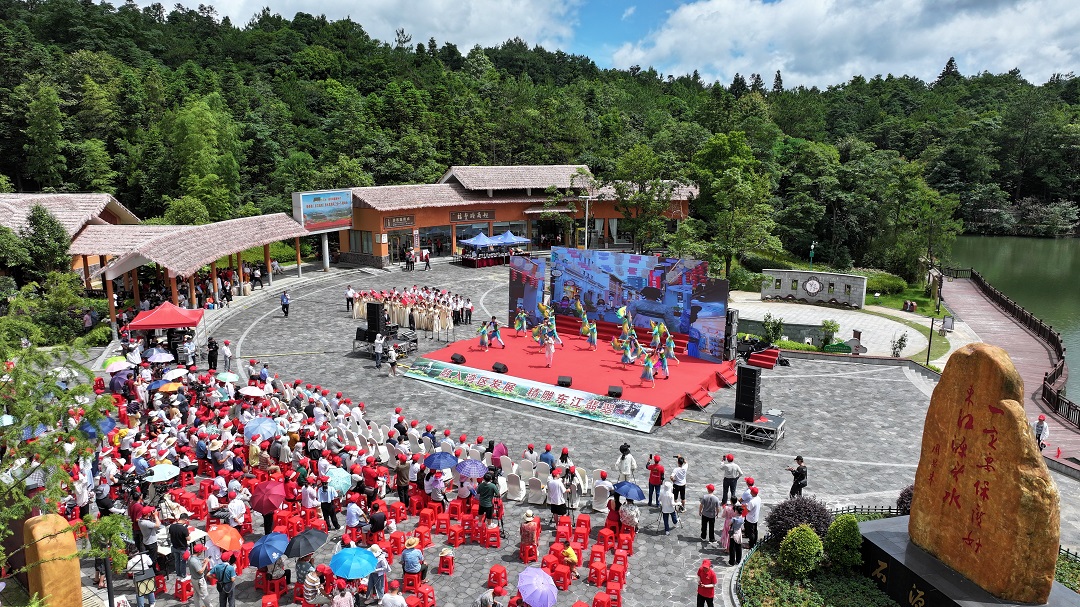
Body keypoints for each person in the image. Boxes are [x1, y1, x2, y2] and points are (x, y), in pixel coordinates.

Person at [169, 513, 191, 578]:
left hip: (174, 546)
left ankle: (178, 573)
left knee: (177, 561)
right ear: (185, 519)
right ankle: (183, 575)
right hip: (182, 548)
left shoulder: (171, 526)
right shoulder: (184, 529)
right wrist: (188, 533)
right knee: (183, 562)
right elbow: (188, 539)